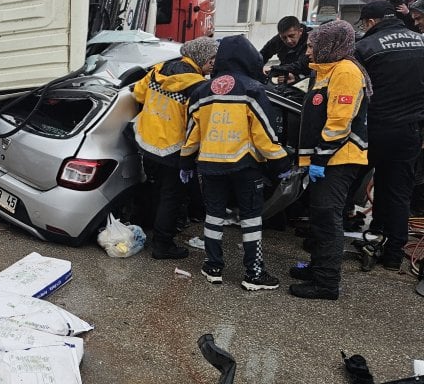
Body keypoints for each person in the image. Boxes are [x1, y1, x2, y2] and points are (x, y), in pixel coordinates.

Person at [181, 35, 291, 290]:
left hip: (209, 166)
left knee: (214, 216)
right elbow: (264, 136)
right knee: (251, 218)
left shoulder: (201, 91)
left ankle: (212, 267)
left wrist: (186, 164)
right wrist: (281, 164)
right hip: (245, 166)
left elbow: (191, 135)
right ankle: (253, 273)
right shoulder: (252, 89)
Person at [289, 20, 370, 300]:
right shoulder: (327, 70)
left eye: (312, 45)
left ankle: (326, 284)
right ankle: (317, 267)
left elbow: (339, 121)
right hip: (329, 158)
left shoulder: (345, 72)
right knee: (320, 217)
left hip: (339, 158)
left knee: (327, 219)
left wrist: (320, 158)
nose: (308, 51)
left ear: (329, 45)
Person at [132, 37, 217, 259]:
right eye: (210, 59)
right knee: (172, 198)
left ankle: (154, 230)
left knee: (157, 192)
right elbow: (197, 123)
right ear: (200, 58)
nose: (213, 64)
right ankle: (162, 246)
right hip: (173, 150)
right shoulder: (197, 86)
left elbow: (137, 95)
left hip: (146, 143)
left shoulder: (157, 70)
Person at [354, 0, 424, 270]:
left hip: (374, 129)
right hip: (410, 131)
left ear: (371, 22)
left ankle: (335, 239)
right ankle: (393, 253)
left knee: (348, 183)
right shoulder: (420, 42)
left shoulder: (366, 48)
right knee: (397, 192)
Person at [260, 16, 310, 82]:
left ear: (300, 31)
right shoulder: (277, 40)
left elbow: (301, 65)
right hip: (284, 76)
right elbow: (263, 54)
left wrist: (274, 69)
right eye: (284, 38)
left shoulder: (310, 41)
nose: (288, 41)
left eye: (291, 36)